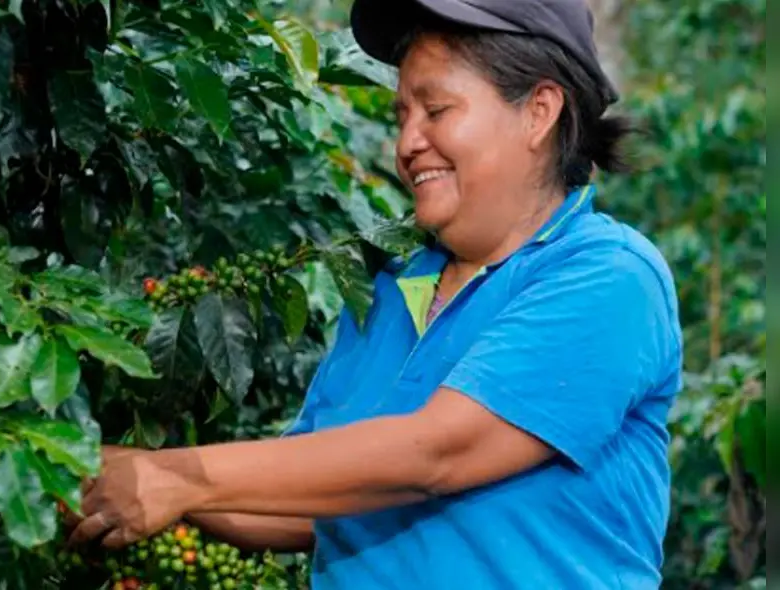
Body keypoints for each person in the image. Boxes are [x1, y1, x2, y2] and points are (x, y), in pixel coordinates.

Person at [65, 0, 684, 587]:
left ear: (539, 111)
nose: (408, 143)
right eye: (402, 116)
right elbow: (301, 502)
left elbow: (437, 452)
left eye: (436, 110)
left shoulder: (609, 276)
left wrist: (180, 477)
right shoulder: (391, 291)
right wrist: (114, 475)